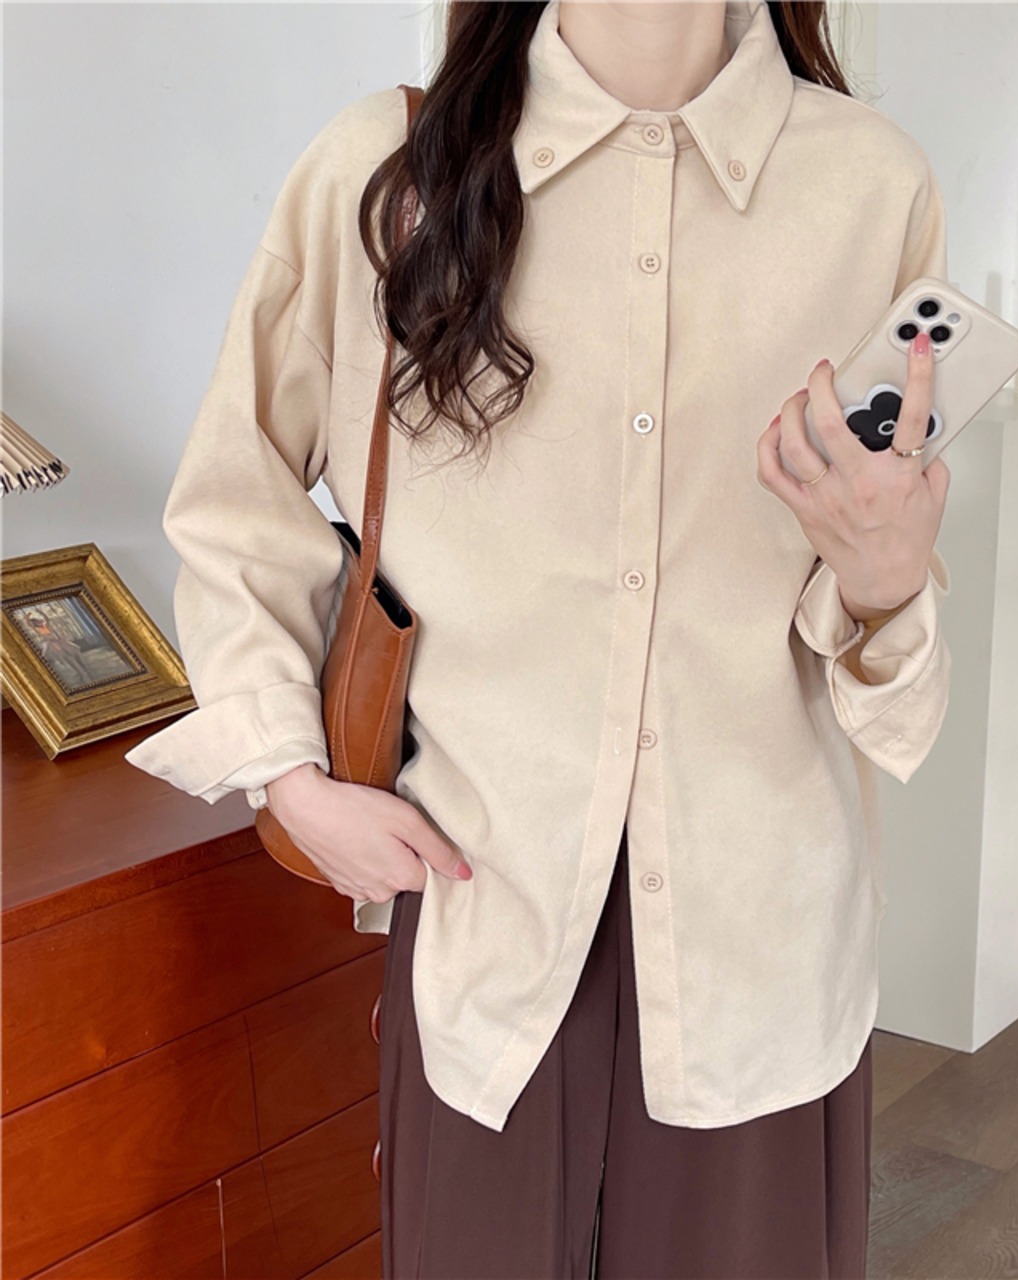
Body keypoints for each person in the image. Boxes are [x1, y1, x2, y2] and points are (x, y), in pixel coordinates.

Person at [125, 1, 954, 1275]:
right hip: (484, 922)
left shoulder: (870, 187)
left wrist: (888, 578)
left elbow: (886, 661)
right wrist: (287, 776)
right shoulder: (382, 174)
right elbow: (237, 498)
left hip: (762, 946)